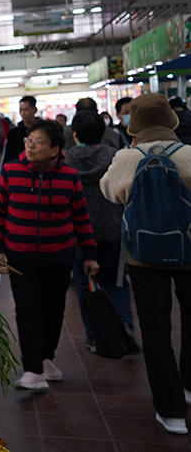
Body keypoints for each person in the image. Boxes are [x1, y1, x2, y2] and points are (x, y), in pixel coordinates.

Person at [101, 94, 191, 435]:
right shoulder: (189, 154)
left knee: (156, 332)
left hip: (143, 256)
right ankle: (189, 386)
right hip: (189, 252)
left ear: (133, 125)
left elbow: (109, 191)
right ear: (171, 121)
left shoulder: (128, 157)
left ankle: (171, 412)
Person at [0, 118, 98, 391]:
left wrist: (89, 253)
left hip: (58, 256)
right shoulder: (11, 171)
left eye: (38, 142)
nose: (31, 146)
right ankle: (32, 369)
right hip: (20, 255)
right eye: (29, 140)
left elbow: (81, 217)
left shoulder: (69, 176)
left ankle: (46, 357)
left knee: (53, 310)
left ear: (55, 149)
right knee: (27, 309)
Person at [64, 111, 135, 353]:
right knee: (116, 280)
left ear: (75, 134)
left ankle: (95, 335)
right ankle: (123, 322)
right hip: (112, 228)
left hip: (79, 233)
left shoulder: (66, 160)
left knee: (86, 284)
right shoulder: (114, 157)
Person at [2, 96, 37, 164]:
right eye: (21, 110)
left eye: (26, 110)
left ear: (35, 110)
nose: (23, 113)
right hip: (17, 167)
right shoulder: (13, 133)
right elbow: (8, 156)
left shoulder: (42, 131)